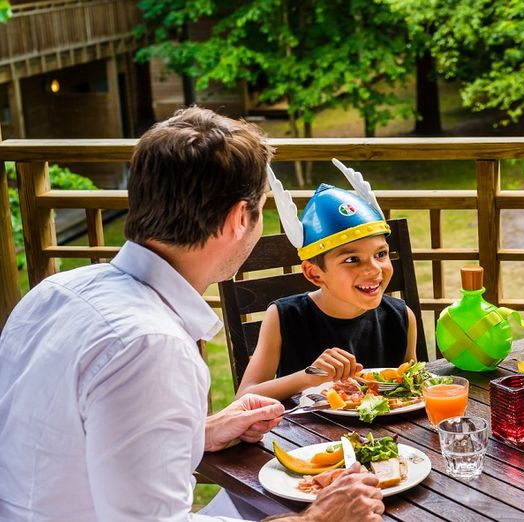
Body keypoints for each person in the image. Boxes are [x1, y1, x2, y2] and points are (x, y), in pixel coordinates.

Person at [0, 107, 385, 522]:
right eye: (261, 212)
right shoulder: (151, 346)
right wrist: (317, 520)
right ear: (241, 218)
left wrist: (201, 433)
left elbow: (62, 445)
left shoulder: (56, 292)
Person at [236, 182, 418, 401]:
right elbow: (243, 398)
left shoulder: (401, 317)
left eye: (380, 254)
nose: (374, 269)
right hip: (301, 434)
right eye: (352, 260)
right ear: (314, 274)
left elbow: (413, 389)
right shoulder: (284, 317)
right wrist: (309, 376)